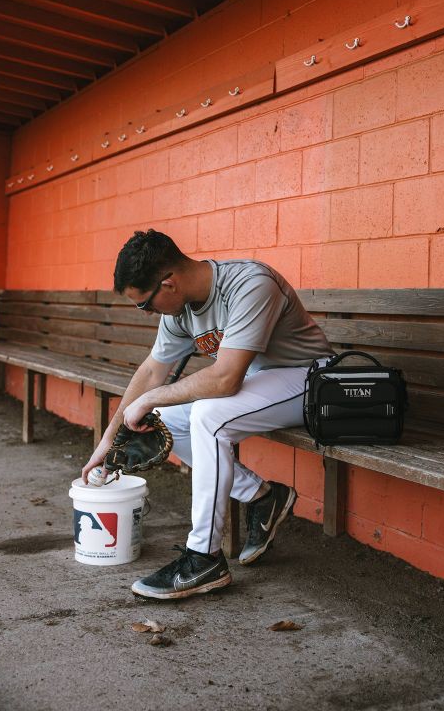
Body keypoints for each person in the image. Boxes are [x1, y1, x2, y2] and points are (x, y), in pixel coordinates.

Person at [81, 229, 334, 600]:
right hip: (260, 382)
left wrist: (151, 399)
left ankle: (204, 558)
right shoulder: (180, 309)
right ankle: (263, 496)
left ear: (168, 283)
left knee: (208, 416)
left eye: (145, 304)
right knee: (170, 419)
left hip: (310, 381)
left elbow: (226, 379)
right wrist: (108, 440)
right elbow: (152, 371)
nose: (147, 312)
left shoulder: (249, 283)